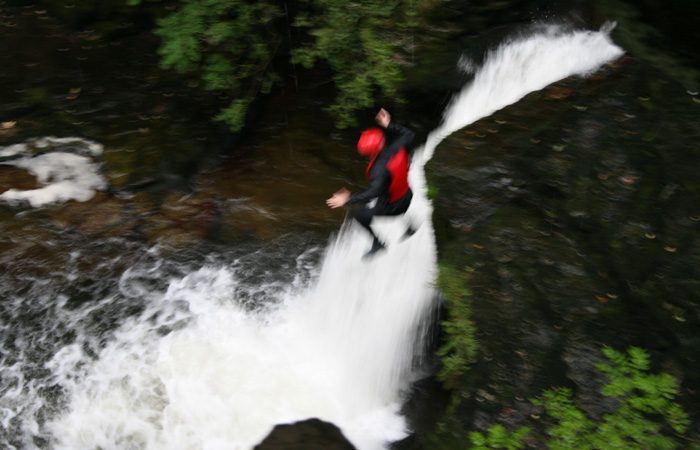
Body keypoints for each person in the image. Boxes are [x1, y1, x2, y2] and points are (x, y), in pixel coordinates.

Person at [326, 108, 416, 259]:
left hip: (395, 207)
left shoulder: (378, 170)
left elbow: (373, 192)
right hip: (407, 195)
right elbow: (410, 135)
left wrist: (348, 199)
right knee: (382, 195)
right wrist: (388, 124)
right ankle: (410, 226)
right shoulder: (397, 145)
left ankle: (378, 243)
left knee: (357, 213)